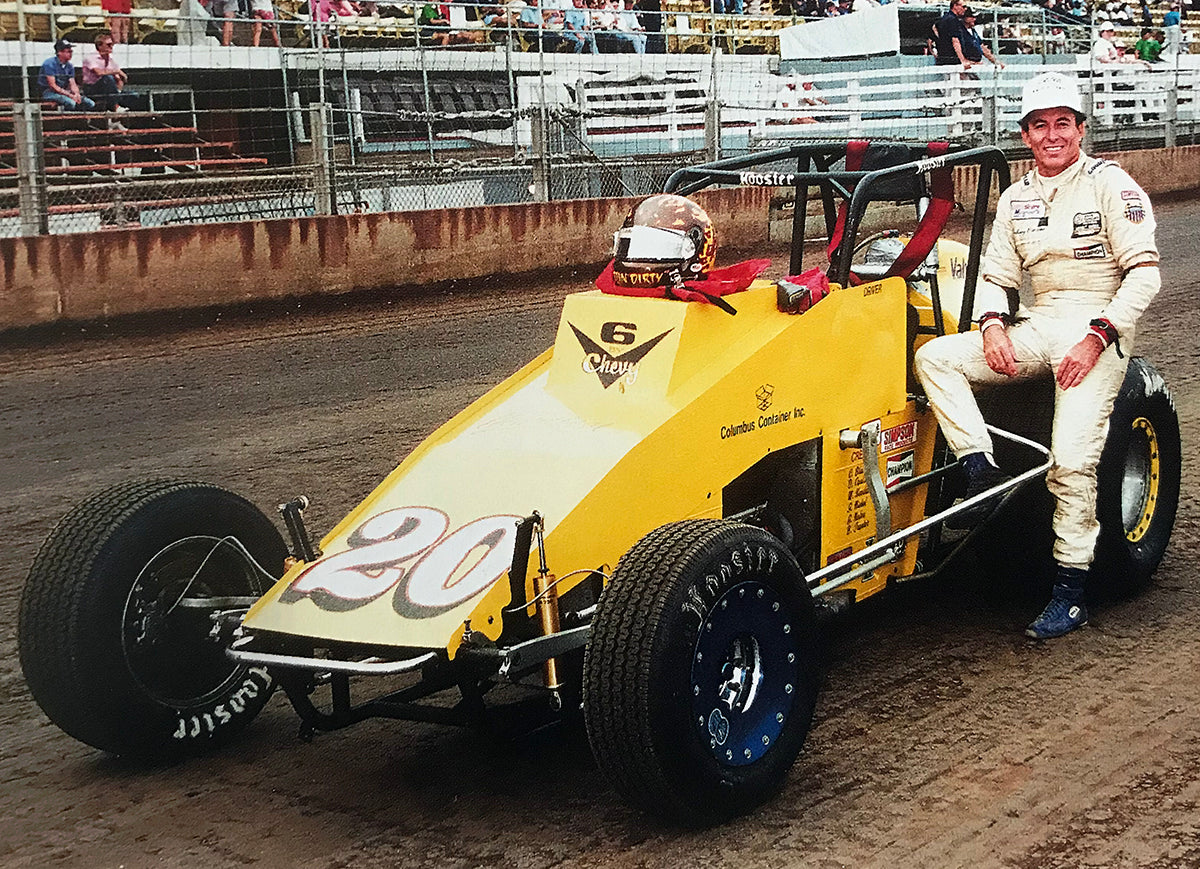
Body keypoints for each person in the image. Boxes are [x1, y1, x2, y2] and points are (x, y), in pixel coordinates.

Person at [913, 72, 1160, 640]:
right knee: (937, 358)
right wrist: (994, 325)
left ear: (1080, 129)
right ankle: (980, 469)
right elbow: (996, 276)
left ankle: (1070, 593)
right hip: (1037, 322)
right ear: (1025, 135)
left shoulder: (1110, 184)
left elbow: (1145, 276)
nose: (1052, 135)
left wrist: (1097, 337)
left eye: (1063, 124)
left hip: (1095, 327)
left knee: (1070, 462)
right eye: (1040, 125)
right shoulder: (1016, 196)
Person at [81, 33, 136, 113]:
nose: (111, 47)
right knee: (107, 78)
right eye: (108, 44)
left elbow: (119, 78)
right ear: (100, 46)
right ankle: (115, 107)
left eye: (112, 44)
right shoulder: (90, 58)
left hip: (109, 90)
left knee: (134, 95)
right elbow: (99, 73)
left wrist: (119, 89)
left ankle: (120, 114)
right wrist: (118, 71)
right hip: (92, 88)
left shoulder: (110, 59)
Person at [38, 40, 96, 112]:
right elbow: (53, 85)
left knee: (90, 103)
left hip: (64, 92)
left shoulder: (70, 66)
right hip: (49, 92)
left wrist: (76, 94)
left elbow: (72, 83)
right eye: (68, 51)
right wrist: (70, 95)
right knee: (71, 103)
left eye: (71, 51)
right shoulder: (49, 64)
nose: (71, 53)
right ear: (59, 52)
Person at [933, 0, 973, 66]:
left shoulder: (944, 18)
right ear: (955, 6)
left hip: (944, 58)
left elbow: (935, 29)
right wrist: (962, 60)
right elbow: (955, 40)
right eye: (963, 6)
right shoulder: (952, 20)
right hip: (952, 60)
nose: (965, 9)